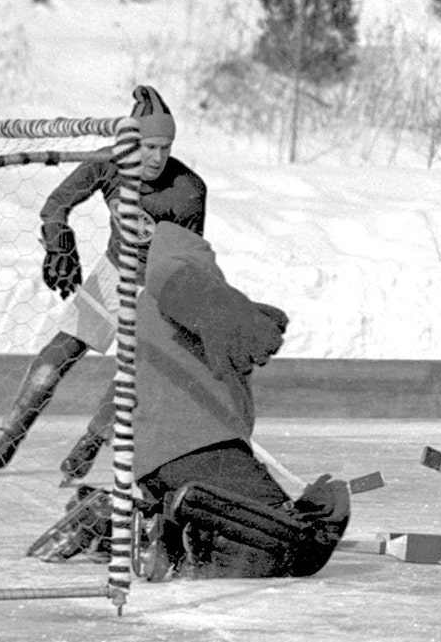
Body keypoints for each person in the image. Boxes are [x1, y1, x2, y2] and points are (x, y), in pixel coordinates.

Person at [31, 222, 350, 580]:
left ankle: (127, 527)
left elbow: (125, 382)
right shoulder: (179, 270)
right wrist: (243, 320)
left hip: (158, 466)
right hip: (203, 450)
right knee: (296, 549)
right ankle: (145, 527)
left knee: (230, 539)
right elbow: (185, 288)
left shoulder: (148, 309)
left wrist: (91, 439)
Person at [0, 86, 207, 481]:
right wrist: (59, 240)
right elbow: (56, 203)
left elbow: (188, 258)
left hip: (161, 284)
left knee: (138, 369)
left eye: (165, 147)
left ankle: (91, 442)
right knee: (54, 355)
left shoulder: (188, 191)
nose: (157, 157)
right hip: (114, 272)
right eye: (149, 146)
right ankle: (4, 443)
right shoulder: (108, 164)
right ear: (130, 144)